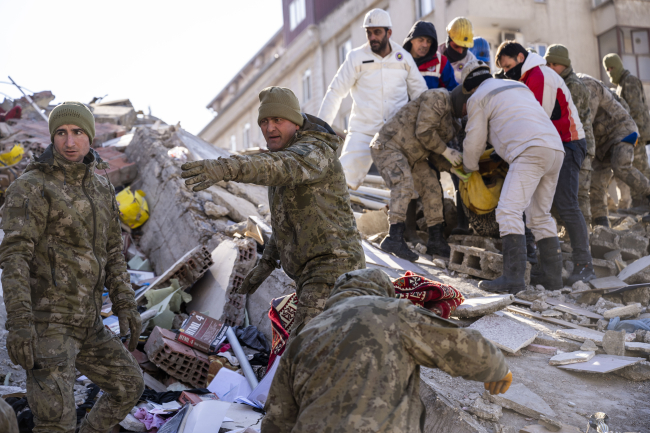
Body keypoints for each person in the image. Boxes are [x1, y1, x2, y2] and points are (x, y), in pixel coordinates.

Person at [0, 102, 144, 433]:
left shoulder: (101, 188)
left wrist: (125, 304)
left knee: (128, 386)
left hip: (89, 323)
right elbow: (15, 255)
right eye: (61, 133)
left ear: (90, 137)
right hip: (48, 326)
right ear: (52, 138)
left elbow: (112, 251)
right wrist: (20, 323)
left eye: (78, 132)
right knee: (56, 423)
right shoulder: (32, 185)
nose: (69, 142)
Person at [182, 87, 365, 336]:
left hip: (334, 269)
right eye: (264, 122)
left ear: (296, 123)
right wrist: (268, 260)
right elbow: (287, 219)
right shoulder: (285, 156)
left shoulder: (313, 151)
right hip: (311, 274)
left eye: (278, 120)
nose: (270, 128)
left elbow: (277, 167)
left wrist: (225, 168)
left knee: (307, 352)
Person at [261, 268, 512, 433]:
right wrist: (497, 369)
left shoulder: (305, 336)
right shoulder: (395, 312)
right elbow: (462, 345)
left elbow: (277, 418)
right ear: (384, 293)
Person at [458, 61, 565, 294]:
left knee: (508, 210)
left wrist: (469, 167)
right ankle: (552, 278)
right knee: (539, 215)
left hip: (529, 151)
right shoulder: (516, 87)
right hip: (555, 149)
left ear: (469, 87)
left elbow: (474, 141)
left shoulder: (478, 97)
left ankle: (513, 278)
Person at [496, 41, 590, 289]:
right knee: (537, 210)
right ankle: (548, 273)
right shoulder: (528, 77)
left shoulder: (540, 76)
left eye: (508, 66)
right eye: (503, 70)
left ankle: (584, 265)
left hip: (569, 142)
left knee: (567, 204)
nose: (506, 72)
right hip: (553, 145)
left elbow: (537, 118)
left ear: (519, 56)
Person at [318, 8, 428, 190]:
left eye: (377, 32)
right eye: (369, 32)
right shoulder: (356, 58)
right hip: (363, 131)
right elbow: (335, 92)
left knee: (410, 183)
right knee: (340, 181)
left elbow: (421, 94)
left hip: (396, 132)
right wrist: (319, 129)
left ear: (389, 32)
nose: (372, 37)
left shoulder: (404, 58)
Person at [370, 87, 461, 261]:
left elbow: (434, 152)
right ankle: (394, 237)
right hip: (389, 146)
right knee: (404, 184)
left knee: (432, 186)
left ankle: (436, 238)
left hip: (413, 157)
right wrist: (447, 151)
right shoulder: (438, 97)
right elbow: (424, 131)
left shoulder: (454, 122)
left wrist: (451, 166)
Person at [544, 44, 596, 284]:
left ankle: (585, 263)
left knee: (571, 203)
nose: (550, 68)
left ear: (564, 64)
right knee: (560, 203)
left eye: (554, 64)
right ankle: (573, 255)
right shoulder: (560, 83)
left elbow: (560, 118)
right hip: (565, 145)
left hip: (574, 146)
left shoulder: (573, 86)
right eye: (548, 64)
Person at [577, 72, 645, 227]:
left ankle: (647, 196)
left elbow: (587, 121)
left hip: (620, 132)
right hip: (602, 141)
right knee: (596, 183)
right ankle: (602, 226)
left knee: (621, 166)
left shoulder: (586, 83)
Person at [604, 53, 650, 196]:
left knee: (640, 170)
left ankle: (645, 204)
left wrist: (634, 136)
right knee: (634, 170)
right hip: (632, 134)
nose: (610, 72)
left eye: (612, 68)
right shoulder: (621, 85)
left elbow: (636, 111)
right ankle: (641, 205)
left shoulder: (629, 81)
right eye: (608, 69)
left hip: (637, 135)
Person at [403, 20, 458, 90]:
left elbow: (453, 90)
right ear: (411, 39)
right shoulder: (399, 60)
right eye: (421, 40)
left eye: (429, 41)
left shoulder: (441, 62)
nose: (425, 45)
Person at [437, 17, 477, 83]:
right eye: (456, 46)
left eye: (464, 47)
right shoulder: (435, 54)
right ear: (448, 40)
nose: (460, 51)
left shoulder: (471, 60)